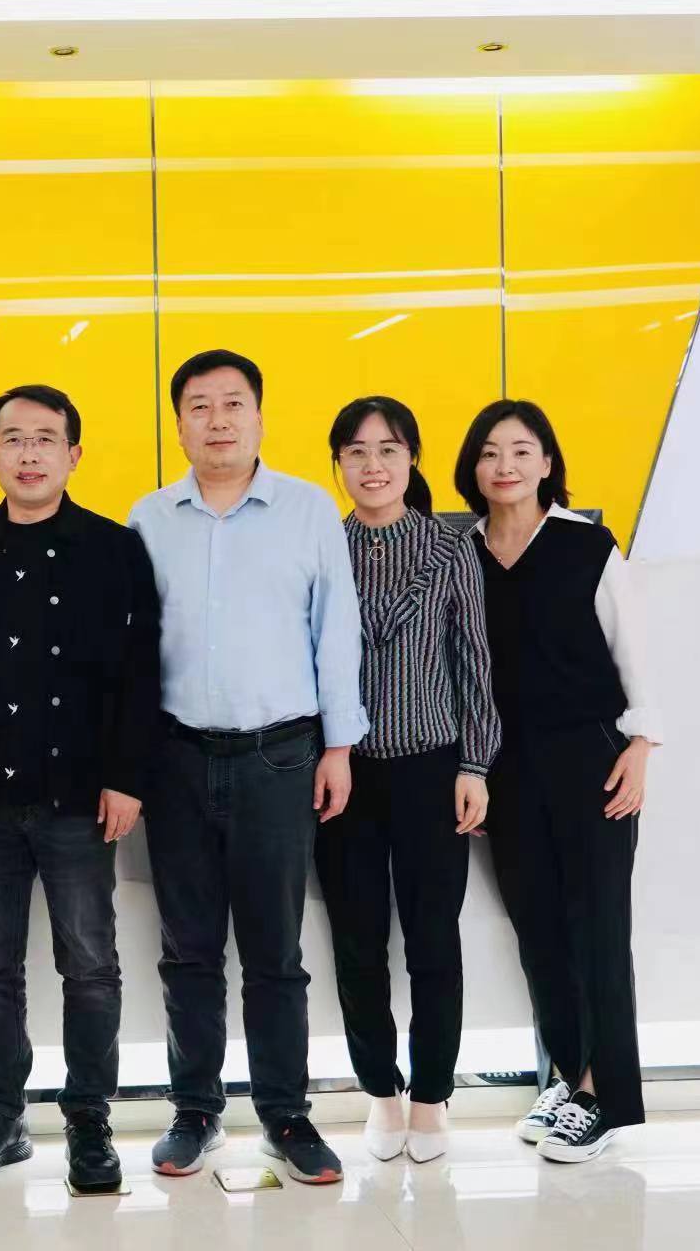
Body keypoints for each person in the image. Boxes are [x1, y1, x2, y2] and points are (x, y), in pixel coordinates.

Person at [127, 349, 366, 1186]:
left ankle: (285, 1115)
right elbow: (130, 649)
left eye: (233, 403)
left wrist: (340, 747)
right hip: (176, 757)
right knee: (188, 949)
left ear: (260, 417)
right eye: (200, 406)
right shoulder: (149, 518)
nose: (218, 420)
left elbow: (336, 630)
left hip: (280, 754)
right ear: (179, 425)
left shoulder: (308, 511)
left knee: (274, 950)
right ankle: (195, 1111)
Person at [0, 385, 160, 1193]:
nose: (29, 454)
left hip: (80, 795)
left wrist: (127, 778)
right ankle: (2, 1113)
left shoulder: (113, 547)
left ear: (73, 454)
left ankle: (89, 1118)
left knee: (89, 963)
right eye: (14, 439)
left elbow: (140, 669)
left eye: (46, 439)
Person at [454, 399, 662, 1164]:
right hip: (506, 766)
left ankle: (604, 1094)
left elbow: (634, 650)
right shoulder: (463, 554)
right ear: (473, 469)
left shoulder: (586, 545)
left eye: (521, 450)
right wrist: (471, 770)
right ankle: (569, 1077)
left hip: (592, 758)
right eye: (489, 452)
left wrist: (640, 744)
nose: (504, 465)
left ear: (547, 463)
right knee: (539, 930)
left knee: (598, 926)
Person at [316, 396, 501, 1165]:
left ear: (412, 459)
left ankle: (431, 1098)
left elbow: (474, 661)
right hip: (344, 776)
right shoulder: (321, 549)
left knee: (433, 942)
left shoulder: (450, 547)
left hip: (432, 770)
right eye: (357, 452)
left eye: (388, 450)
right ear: (338, 464)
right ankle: (380, 1094)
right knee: (357, 943)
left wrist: (475, 764)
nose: (373, 466)